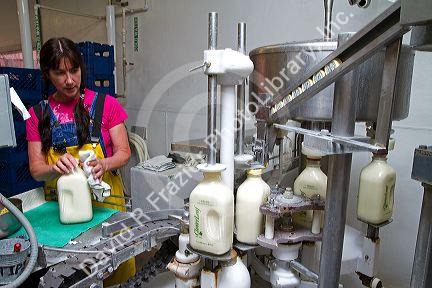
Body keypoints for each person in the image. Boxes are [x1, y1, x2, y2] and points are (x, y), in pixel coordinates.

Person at [26, 37, 135, 285]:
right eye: (59, 73)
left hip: (106, 211)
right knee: (69, 276)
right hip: (62, 216)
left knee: (114, 275)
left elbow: (124, 152)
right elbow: (36, 170)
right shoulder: (38, 115)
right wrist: (53, 168)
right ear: (47, 74)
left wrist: (104, 164)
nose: (69, 80)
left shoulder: (106, 105)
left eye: (74, 70)